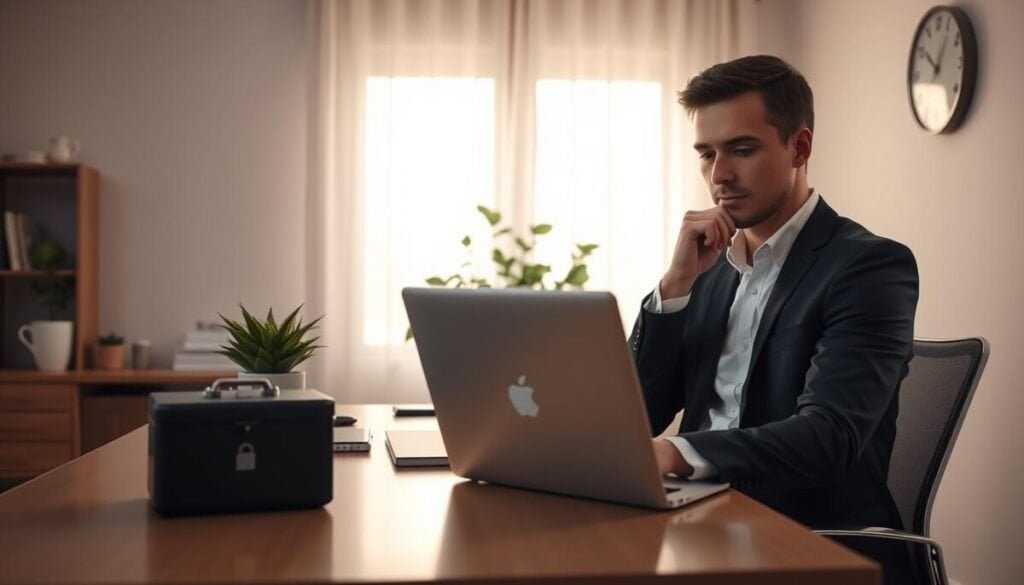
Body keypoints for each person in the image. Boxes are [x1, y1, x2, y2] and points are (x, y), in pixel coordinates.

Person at [628, 55, 919, 530]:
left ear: (799, 148)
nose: (719, 175)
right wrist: (674, 287)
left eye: (741, 150)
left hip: (804, 531)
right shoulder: (708, 269)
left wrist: (676, 454)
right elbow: (636, 419)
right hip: (698, 516)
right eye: (706, 154)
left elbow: (828, 438)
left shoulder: (868, 267)